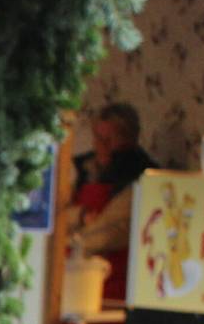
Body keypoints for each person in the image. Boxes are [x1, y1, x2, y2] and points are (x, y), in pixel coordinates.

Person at [64, 102, 154, 298]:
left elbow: (109, 231)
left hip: (113, 279)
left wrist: (70, 244)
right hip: (75, 277)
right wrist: (80, 215)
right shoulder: (81, 168)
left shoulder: (142, 178)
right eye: (98, 137)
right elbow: (61, 214)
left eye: (110, 139)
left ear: (130, 140)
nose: (101, 146)